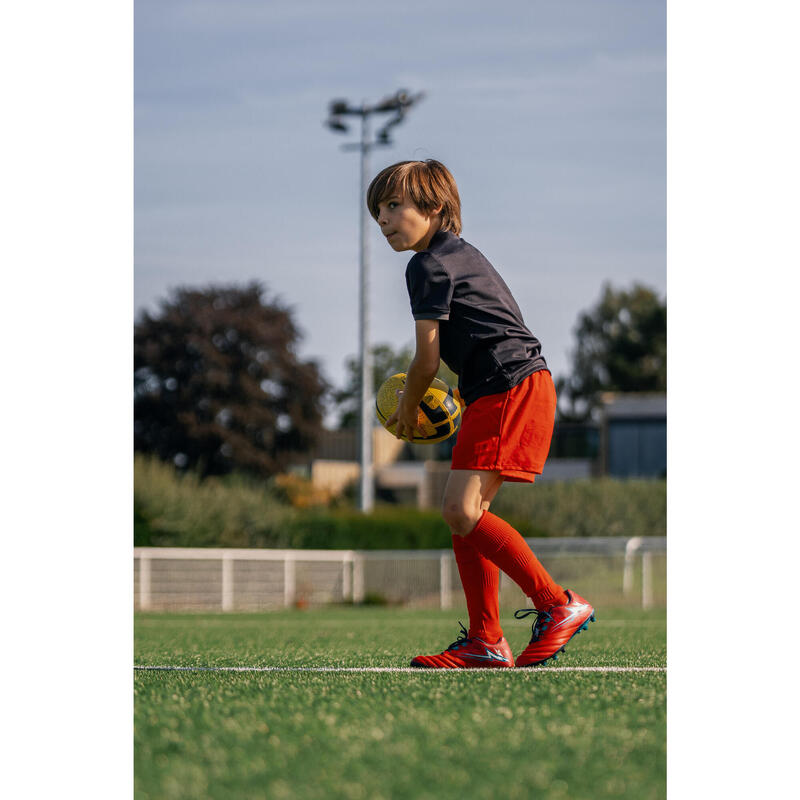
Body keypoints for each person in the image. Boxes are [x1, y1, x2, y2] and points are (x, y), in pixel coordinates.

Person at [367, 159, 595, 668]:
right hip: (504, 388)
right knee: (463, 513)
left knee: (461, 510)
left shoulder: (427, 265)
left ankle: (557, 604)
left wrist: (408, 409)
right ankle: (486, 639)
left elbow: (427, 359)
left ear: (434, 207)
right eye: (377, 210)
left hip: (508, 387)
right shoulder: (456, 255)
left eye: (393, 205)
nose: (383, 219)